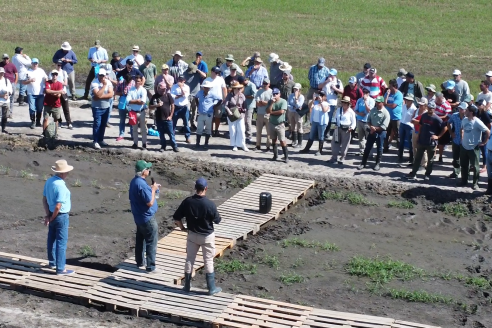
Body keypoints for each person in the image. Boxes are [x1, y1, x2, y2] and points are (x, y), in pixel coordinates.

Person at [173, 177, 222, 295]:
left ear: (195, 188)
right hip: (207, 236)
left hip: (192, 235)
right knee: (208, 260)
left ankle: (186, 286)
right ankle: (211, 288)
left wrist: (182, 228)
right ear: (206, 188)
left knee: (190, 260)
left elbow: (176, 217)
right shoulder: (210, 204)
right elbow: (218, 220)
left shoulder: (187, 201)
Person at [43, 159, 75, 275]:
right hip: (60, 216)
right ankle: (61, 269)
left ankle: (52, 262)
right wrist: (53, 217)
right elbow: (58, 206)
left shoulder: (49, 181)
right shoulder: (60, 185)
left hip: (51, 213)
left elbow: (44, 199)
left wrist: (48, 215)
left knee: (51, 239)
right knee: (61, 242)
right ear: (62, 173)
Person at [129, 160, 160, 274]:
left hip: (138, 217)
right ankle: (150, 267)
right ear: (143, 172)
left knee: (140, 239)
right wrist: (153, 190)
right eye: (147, 168)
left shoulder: (135, 181)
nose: (149, 170)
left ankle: (140, 262)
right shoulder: (141, 184)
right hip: (147, 218)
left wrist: (152, 189)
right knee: (151, 241)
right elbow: (150, 203)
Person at [406, 102, 447, 181]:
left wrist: (438, 137)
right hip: (422, 140)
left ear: (434, 109)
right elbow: (421, 125)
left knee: (430, 159)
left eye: (432, 108)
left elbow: (445, 128)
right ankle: (414, 173)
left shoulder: (437, 119)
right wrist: (418, 136)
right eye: (429, 108)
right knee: (417, 157)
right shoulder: (424, 116)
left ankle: (427, 174)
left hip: (431, 142)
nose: (430, 110)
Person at [457, 105, 490, 190]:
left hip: (473, 147)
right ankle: (464, 180)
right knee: (464, 165)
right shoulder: (464, 120)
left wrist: (484, 142)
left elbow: (487, 131)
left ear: (471, 112)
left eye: (467, 110)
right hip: (464, 146)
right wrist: (462, 138)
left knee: (475, 167)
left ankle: (475, 183)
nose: (465, 112)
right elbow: (462, 129)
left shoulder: (477, 122)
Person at [357, 96, 390, 171]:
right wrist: (371, 127)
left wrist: (374, 129)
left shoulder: (386, 113)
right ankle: (363, 163)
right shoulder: (373, 110)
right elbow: (368, 120)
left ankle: (377, 164)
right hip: (372, 131)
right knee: (367, 147)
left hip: (381, 132)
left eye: (379, 102)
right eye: (376, 102)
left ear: (382, 103)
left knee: (379, 148)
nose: (377, 103)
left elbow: (384, 126)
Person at [90, 68, 114, 149]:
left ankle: (101, 139)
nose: (101, 77)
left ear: (105, 76)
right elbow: (97, 94)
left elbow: (111, 94)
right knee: (97, 124)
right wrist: (104, 86)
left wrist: (100, 96)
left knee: (103, 124)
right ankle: (95, 141)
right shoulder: (94, 83)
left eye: (103, 75)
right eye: (100, 75)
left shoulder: (109, 82)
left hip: (106, 107)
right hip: (97, 107)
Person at [149, 82, 177, 152]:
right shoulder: (155, 96)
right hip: (159, 118)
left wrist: (171, 116)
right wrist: (157, 105)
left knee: (171, 133)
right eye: (162, 89)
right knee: (161, 134)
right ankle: (163, 146)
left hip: (168, 118)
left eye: (165, 89)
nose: (164, 90)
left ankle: (174, 146)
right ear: (158, 88)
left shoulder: (168, 95)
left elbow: (173, 105)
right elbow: (150, 106)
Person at [300, 91, 329, 155]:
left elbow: (325, 110)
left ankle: (320, 150)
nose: (319, 97)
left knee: (321, 136)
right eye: (319, 95)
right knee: (311, 135)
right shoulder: (315, 103)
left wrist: (321, 103)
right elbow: (309, 107)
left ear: (324, 97)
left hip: (322, 122)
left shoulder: (326, 104)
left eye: (321, 95)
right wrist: (313, 100)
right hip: (314, 122)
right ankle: (307, 149)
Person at [329, 96, 356, 164]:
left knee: (345, 144)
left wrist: (351, 128)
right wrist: (334, 125)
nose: (344, 104)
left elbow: (354, 122)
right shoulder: (339, 110)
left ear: (348, 104)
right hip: (338, 128)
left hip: (347, 129)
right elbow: (335, 118)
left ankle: (342, 158)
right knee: (335, 143)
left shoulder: (351, 112)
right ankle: (334, 157)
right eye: (343, 102)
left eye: (345, 103)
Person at [23, 58, 47, 129]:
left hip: (40, 93)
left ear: (38, 64)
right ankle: (33, 121)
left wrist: (46, 87)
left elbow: (46, 78)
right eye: (33, 63)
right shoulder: (28, 72)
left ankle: (38, 121)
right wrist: (30, 80)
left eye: (36, 63)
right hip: (31, 93)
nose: (35, 65)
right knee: (32, 108)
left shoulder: (41, 71)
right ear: (31, 64)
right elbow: (23, 82)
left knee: (40, 108)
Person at [195, 80, 221, 148]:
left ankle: (206, 143)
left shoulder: (212, 94)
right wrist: (198, 105)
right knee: (199, 128)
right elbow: (196, 97)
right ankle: (197, 143)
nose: (207, 88)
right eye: (205, 87)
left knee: (208, 129)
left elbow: (220, 99)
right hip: (201, 113)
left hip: (209, 114)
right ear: (203, 87)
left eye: (208, 87)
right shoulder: (200, 93)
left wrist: (215, 106)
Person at [224, 81, 248, 151]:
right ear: (234, 89)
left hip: (240, 115)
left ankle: (243, 144)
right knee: (233, 130)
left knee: (241, 130)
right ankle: (234, 145)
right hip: (232, 115)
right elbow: (226, 105)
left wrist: (243, 109)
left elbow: (245, 106)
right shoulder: (229, 95)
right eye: (237, 89)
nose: (239, 90)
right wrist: (229, 112)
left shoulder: (242, 96)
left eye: (240, 88)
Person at [320, 69, 343, 140]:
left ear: (335, 75)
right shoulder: (325, 78)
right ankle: (320, 133)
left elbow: (342, 91)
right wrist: (326, 81)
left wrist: (335, 88)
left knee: (329, 119)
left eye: (332, 75)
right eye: (330, 74)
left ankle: (326, 133)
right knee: (322, 118)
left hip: (332, 103)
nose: (330, 76)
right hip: (324, 102)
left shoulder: (338, 81)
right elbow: (319, 86)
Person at [266, 88, 289, 163]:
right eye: (274, 94)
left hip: (280, 124)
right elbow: (267, 111)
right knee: (273, 140)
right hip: (272, 123)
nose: (275, 95)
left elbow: (281, 111)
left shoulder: (283, 101)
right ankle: (275, 155)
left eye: (276, 94)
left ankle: (286, 157)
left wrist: (272, 113)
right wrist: (272, 103)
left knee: (282, 140)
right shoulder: (270, 101)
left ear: (279, 94)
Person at [204, 66, 227, 137]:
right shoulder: (207, 80)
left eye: (218, 73)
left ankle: (216, 130)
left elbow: (224, 88)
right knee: (210, 116)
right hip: (209, 101)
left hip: (219, 100)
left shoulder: (220, 79)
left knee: (218, 116)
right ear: (212, 72)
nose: (217, 74)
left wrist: (225, 98)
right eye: (216, 72)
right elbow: (203, 90)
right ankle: (210, 131)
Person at [126, 76, 148, 149]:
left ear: (141, 82)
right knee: (134, 129)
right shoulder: (131, 90)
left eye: (138, 81)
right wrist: (137, 101)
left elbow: (142, 102)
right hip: (133, 112)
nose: (137, 82)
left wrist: (133, 101)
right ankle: (135, 143)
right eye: (136, 81)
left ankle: (144, 144)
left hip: (141, 112)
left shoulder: (143, 90)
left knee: (143, 129)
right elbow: (128, 101)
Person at [50, 60, 72, 129]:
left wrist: (57, 82)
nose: (59, 66)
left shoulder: (63, 72)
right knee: (57, 108)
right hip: (56, 93)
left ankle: (69, 123)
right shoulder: (52, 72)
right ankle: (59, 122)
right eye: (58, 65)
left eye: (60, 65)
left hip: (63, 92)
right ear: (55, 65)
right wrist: (59, 83)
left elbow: (65, 83)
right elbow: (51, 82)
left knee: (66, 108)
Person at [447, 102, 467, 179]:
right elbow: (448, 123)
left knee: (464, 159)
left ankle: (465, 175)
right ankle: (455, 172)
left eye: (462, 109)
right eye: (459, 108)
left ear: (465, 110)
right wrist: (451, 133)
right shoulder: (454, 115)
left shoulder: (468, 117)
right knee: (455, 158)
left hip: (465, 141)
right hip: (456, 140)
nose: (460, 110)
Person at [383, 79, 403, 152]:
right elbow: (383, 102)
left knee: (397, 134)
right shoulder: (388, 93)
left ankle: (400, 149)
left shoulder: (399, 94)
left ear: (394, 86)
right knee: (386, 133)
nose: (389, 87)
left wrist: (386, 104)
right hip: (388, 117)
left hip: (396, 117)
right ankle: (385, 147)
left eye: (390, 86)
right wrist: (387, 95)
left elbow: (393, 105)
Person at [397, 94, 417, 166]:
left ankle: (411, 158)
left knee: (410, 142)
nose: (406, 101)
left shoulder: (414, 109)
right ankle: (400, 156)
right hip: (402, 124)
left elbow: (413, 118)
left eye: (408, 100)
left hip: (409, 126)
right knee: (401, 141)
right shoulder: (404, 106)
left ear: (411, 101)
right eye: (406, 99)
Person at [354, 88, 375, 155]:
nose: (365, 94)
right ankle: (362, 150)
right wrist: (360, 114)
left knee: (369, 137)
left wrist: (365, 101)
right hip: (360, 120)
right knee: (361, 137)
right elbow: (355, 110)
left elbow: (369, 110)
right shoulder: (359, 100)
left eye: (366, 93)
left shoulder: (371, 100)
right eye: (364, 93)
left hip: (367, 122)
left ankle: (370, 152)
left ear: (368, 93)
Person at [171, 76, 191, 143]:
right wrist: (180, 95)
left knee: (186, 123)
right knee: (173, 123)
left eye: (182, 80)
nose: (180, 81)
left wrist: (181, 87)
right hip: (176, 107)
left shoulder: (187, 87)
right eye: (179, 79)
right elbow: (172, 96)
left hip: (184, 107)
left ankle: (187, 137)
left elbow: (185, 95)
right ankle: (172, 137)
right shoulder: (174, 86)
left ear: (184, 80)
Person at [43, 70, 64, 134]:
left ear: (57, 76)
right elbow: (47, 91)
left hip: (56, 105)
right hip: (47, 103)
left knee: (56, 120)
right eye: (53, 74)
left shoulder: (60, 84)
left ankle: (55, 133)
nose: (54, 76)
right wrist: (58, 91)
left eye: (56, 74)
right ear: (51, 75)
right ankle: (44, 132)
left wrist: (51, 92)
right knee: (45, 119)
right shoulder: (48, 82)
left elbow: (58, 96)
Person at [115, 74, 134, 141]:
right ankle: (121, 134)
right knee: (122, 120)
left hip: (131, 104)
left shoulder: (133, 83)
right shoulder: (121, 83)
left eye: (129, 81)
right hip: (122, 103)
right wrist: (122, 93)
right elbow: (116, 92)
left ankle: (133, 134)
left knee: (132, 120)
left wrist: (129, 93)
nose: (128, 82)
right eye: (127, 81)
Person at [434, 92, 453, 162]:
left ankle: (440, 156)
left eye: (438, 99)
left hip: (443, 124)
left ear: (441, 98)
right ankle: (433, 155)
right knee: (434, 140)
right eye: (436, 99)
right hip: (434, 124)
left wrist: (437, 118)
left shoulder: (446, 105)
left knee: (441, 142)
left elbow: (447, 116)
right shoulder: (434, 102)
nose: (437, 100)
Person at [255, 78, 273, 151]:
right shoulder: (259, 92)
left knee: (269, 132)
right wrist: (266, 103)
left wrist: (264, 102)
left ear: (269, 84)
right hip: (260, 114)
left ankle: (268, 145)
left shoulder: (272, 92)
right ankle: (258, 145)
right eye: (264, 83)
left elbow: (271, 103)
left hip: (268, 114)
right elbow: (258, 103)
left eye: (266, 83)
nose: (265, 85)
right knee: (258, 131)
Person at [411, 98, 429, 171]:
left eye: (422, 105)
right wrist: (417, 121)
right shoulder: (416, 110)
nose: (420, 106)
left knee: (422, 149)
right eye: (419, 104)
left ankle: (423, 164)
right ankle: (416, 161)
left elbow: (424, 123)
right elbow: (412, 119)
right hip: (415, 130)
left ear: (425, 106)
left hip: (423, 133)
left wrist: (417, 121)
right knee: (414, 147)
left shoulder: (427, 113)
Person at [183, 63, 202, 131]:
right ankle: (185, 124)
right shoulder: (185, 73)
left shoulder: (197, 73)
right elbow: (182, 81)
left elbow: (204, 75)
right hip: (187, 94)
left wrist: (198, 70)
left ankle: (192, 124)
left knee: (195, 110)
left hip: (196, 94)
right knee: (187, 110)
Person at [239, 76, 257, 145]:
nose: (242, 84)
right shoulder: (245, 86)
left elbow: (254, 95)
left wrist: (245, 96)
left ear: (245, 80)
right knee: (244, 120)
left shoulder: (251, 85)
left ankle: (249, 136)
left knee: (248, 121)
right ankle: (245, 134)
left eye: (242, 82)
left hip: (250, 105)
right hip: (245, 104)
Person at [476, 99, 492, 174]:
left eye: (480, 105)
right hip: (479, 133)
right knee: (478, 149)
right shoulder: (477, 113)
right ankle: (476, 165)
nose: (478, 106)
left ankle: (484, 166)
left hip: (484, 134)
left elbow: (489, 125)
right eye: (478, 104)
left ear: (484, 105)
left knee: (484, 150)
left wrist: (487, 132)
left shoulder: (485, 114)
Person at [0, 54, 18, 118]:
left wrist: (15, 82)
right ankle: (3, 113)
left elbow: (16, 73)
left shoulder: (12, 65)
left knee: (11, 98)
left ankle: (10, 113)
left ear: (9, 59)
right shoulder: (0, 64)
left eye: (7, 58)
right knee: (3, 97)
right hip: (3, 83)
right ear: (3, 59)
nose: (6, 60)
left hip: (11, 82)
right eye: (4, 58)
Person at [287, 83, 304, 148]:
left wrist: (296, 99)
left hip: (298, 113)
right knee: (292, 127)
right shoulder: (291, 95)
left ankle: (299, 143)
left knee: (299, 127)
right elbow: (288, 104)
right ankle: (294, 141)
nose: (295, 90)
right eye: (294, 89)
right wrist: (293, 107)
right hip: (291, 112)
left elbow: (299, 105)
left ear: (299, 90)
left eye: (296, 89)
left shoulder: (301, 97)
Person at [0, 67, 13, 133]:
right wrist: (2, 96)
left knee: (5, 116)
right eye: (0, 73)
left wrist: (8, 95)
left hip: (6, 101)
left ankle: (3, 128)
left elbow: (10, 90)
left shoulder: (6, 80)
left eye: (2, 73)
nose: (1, 74)